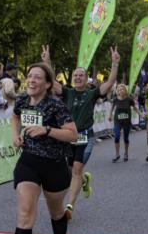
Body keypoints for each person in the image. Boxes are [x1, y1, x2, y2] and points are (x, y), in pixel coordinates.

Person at [9, 63, 78, 234]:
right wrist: (15, 135)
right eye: (29, 76)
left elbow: (72, 135)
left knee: (56, 212)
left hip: (54, 164)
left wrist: (47, 130)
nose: (31, 80)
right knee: (25, 212)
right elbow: (15, 117)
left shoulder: (56, 105)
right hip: (29, 161)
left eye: (37, 77)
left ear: (47, 84)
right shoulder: (21, 100)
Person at [48, 45, 120, 219]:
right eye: (76, 75)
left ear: (87, 79)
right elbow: (51, 81)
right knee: (70, 171)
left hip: (85, 136)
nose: (78, 77)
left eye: (81, 75)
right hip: (68, 137)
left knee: (76, 170)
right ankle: (84, 180)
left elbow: (109, 83)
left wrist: (115, 63)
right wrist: (46, 61)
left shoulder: (92, 93)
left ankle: (69, 207)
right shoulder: (67, 92)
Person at [110, 84, 134, 162]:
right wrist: (110, 115)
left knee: (126, 138)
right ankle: (117, 154)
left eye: (122, 89)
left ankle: (126, 153)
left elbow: (135, 108)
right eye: (119, 90)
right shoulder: (115, 99)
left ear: (125, 91)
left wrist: (141, 114)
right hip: (117, 121)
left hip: (126, 121)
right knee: (117, 136)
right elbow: (112, 108)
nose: (121, 91)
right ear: (117, 91)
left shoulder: (129, 99)